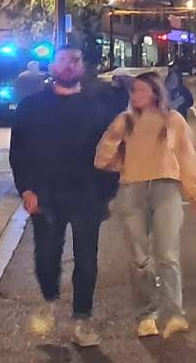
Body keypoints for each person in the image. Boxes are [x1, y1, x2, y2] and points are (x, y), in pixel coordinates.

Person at [10, 46, 121, 347]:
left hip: (87, 194)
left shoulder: (98, 107)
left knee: (86, 259)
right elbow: (18, 152)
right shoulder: (31, 107)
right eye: (63, 60)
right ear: (52, 65)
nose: (69, 66)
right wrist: (26, 188)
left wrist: (109, 192)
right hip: (45, 194)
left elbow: (114, 152)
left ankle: (82, 319)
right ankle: (49, 299)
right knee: (46, 254)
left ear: (82, 67)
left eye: (75, 61)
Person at [95, 71, 196, 339]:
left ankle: (174, 312)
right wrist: (117, 148)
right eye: (134, 91)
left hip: (166, 189)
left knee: (167, 254)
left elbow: (188, 158)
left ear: (156, 92)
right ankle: (146, 314)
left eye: (142, 91)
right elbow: (101, 158)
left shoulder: (173, 120)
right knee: (139, 257)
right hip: (131, 190)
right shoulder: (125, 121)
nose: (136, 96)